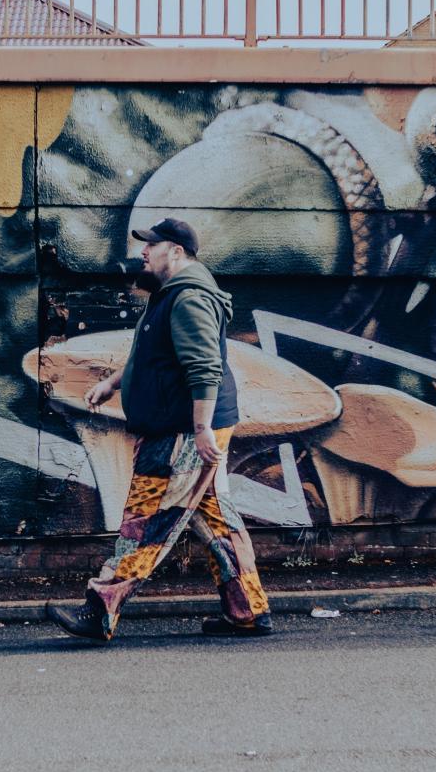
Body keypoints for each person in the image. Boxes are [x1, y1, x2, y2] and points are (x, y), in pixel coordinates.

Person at [46, 218, 273, 641]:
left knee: (145, 519)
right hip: (186, 427)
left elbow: (204, 368)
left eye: (152, 245)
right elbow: (152, 353)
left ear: (178, 252)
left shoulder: (188, 300)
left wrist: (200, 428)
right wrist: (112, 383)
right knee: (216, 519)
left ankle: (101, 609)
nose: (143, 252)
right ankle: (248, 609)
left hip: (180, 432)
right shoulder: (167, 297)